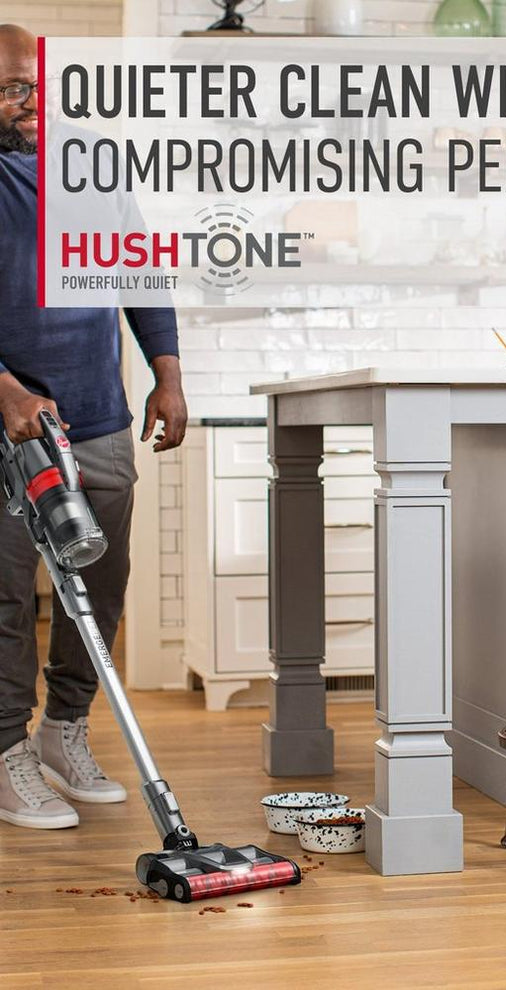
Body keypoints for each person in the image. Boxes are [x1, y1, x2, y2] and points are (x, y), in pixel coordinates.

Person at [0, 24, 187, 829]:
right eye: (12, 88)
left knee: (99, 583)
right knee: (7, 596)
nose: (31, 99)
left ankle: (61, 732)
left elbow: (137, 267)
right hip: (9, 421)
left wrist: (167, 373)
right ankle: (6, 750)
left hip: (99, 416)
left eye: (40, 82)